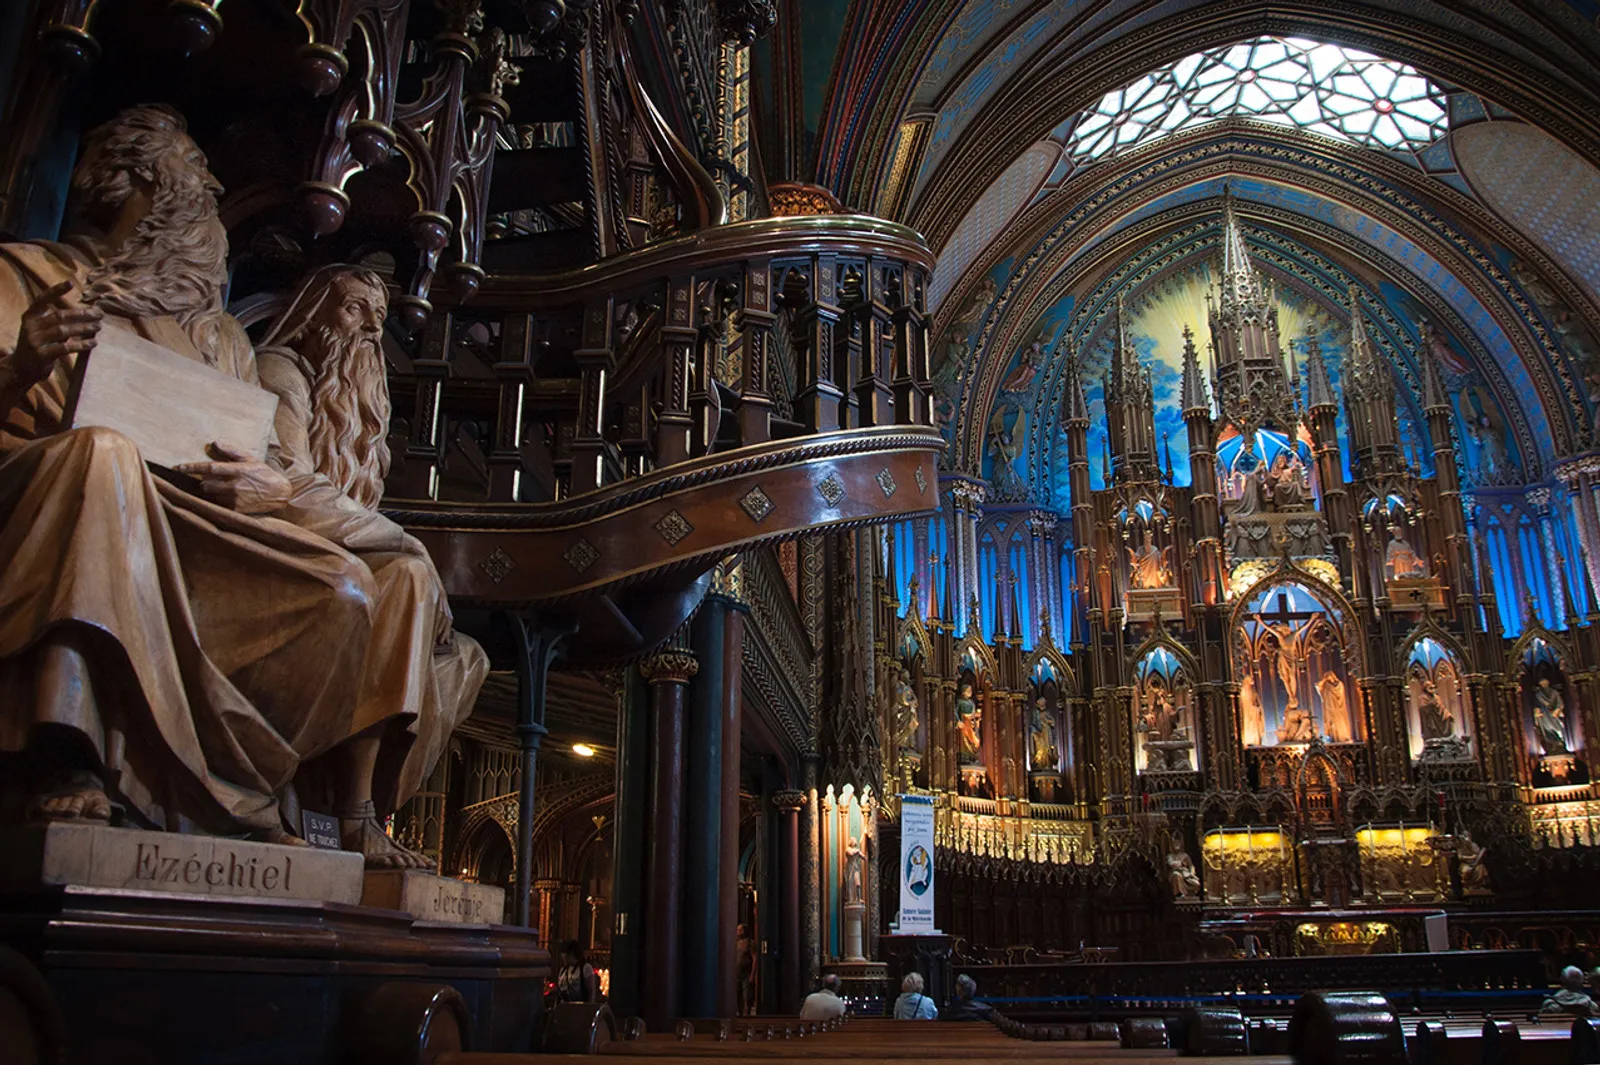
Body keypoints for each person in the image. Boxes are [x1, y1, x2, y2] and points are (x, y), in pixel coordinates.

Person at [0, 106, 485, 861]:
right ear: (129, 179)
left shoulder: (217, 335)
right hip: (57, 492)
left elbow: (265, 463)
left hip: (198, 518)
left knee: (344, 587)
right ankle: (68, 749)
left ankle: (256, 794)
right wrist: (22, 365)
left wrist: (258, 481)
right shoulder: (26, 276)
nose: (208, 197)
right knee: (102, 456)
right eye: (189, 177)